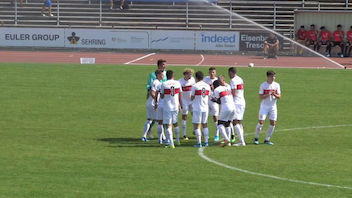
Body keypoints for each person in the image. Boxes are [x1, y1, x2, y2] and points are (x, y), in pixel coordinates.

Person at [254, 70, 281, 145]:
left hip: (273, 107)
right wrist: (268, 94)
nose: (273, 78)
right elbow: (260, 97)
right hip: (264, 107)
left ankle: (267, 139)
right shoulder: (263, 85)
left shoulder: (277, 85)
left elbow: (279, 96)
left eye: (274, 76)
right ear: (268, 77)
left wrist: (274, 94)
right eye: (272, 76)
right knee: (261, 122)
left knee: (273, 123)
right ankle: (256, 137)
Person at [145, 59, 167, 138]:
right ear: (158, 66)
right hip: (156, 98)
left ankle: (163, 135)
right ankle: (149, 131)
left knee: (163, 117)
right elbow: (150, 86)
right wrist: (154, 98)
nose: (164, 66)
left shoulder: (166, 74)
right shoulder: (153, 75)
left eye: (165, 64)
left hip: (164, 97)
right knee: (155, 117)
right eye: (163, 64)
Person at [160, 70, 182, 148]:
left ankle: (171, 143)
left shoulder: (164, 84)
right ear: (173, 75)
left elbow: (162, 96)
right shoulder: (177, 83)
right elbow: (180, 94)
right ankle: (178, 140)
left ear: (166, 76)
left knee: (168, 125)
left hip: (167, 107)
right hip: (176, 105)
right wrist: (180, 104)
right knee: (175, 123)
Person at [141, 69, 164, 143]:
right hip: (153, 103)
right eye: (161, 74)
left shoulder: (158, 82)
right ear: (158, 75)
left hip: (151, 103)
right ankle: (161, 138)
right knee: (157, 120)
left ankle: (145, 136)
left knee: (152, 120)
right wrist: (157, 101)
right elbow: (152, 92)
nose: (163, 76)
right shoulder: (155, 82)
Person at [213, 76, 235, 147]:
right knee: (227, 123)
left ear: (223, 80)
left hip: (226, 108)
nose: (219, 81)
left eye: (220, 80)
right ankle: (228, 142)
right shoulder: (228, 86)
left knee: (219, 124)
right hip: (233, 107)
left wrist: (214, 100)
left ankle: (226, 139)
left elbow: (218, 101)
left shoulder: (217, 89)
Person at [191, 71, 211, 148]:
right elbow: (208, 96)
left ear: (196, 78)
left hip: (197, 108)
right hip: (205, 108)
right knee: (205, 124)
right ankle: (206, 142)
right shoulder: (207, 86)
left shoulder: (195, 86)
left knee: (197, 126)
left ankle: (199, 143)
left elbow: (192, 97)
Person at [228, 67, 246, 146]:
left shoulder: (233, 81)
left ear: (231, 72)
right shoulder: (240, 79)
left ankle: (241, 142)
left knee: (235, 122)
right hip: (242, 102)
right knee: (239, 122)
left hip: (236, 103)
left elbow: (234, 93)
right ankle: (241, 140)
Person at [203, 67, 220, 141]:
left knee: (215, 117)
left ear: (215, 72)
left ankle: (217, 134)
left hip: (214, 101)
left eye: (213, 72)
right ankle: (206, 135)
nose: (211, 74)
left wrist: (213, 88)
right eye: (210, 72)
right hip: (206, 101)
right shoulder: (205, 79)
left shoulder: (217, 81)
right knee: (205, 117)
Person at [179, 68, 195, 141]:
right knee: (184, 117)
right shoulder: (180, 82)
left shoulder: (192, 80)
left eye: (191, 74)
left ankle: (195, 129)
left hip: (192, 101)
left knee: (194, 115)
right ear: (185, 74)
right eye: (189, 74)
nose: (190, 76)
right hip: (184, 101)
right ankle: (184, 134)